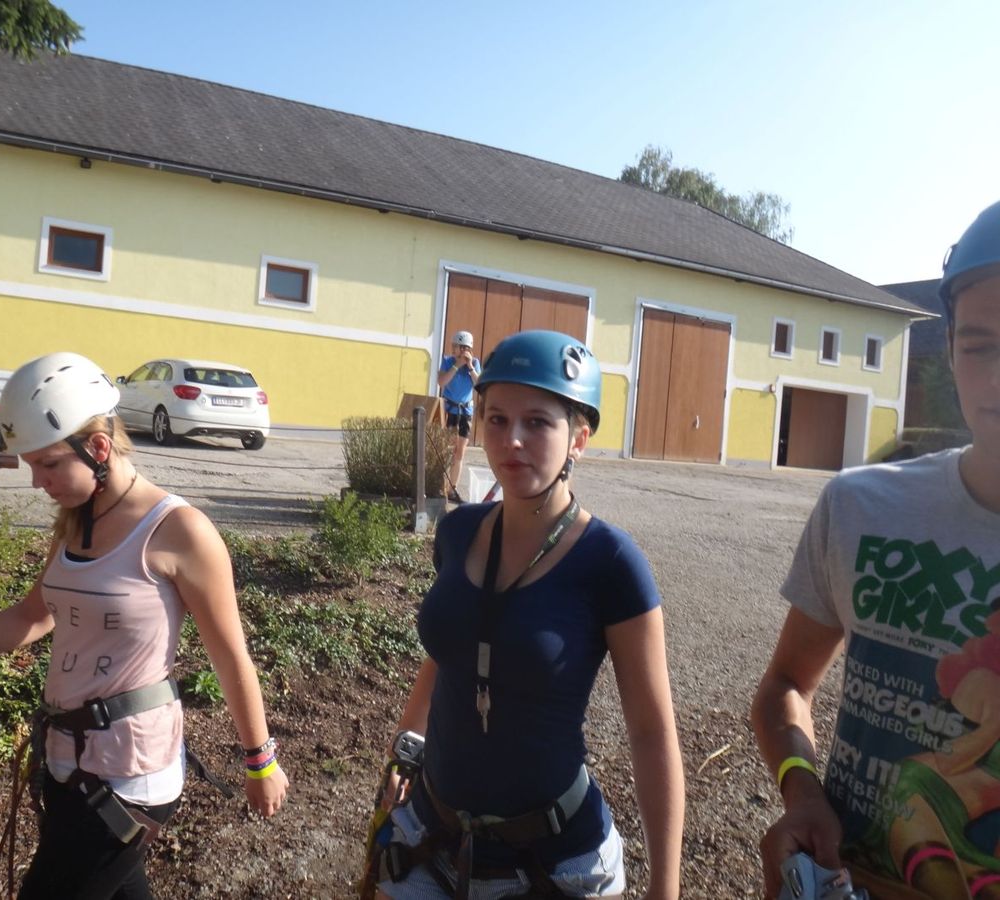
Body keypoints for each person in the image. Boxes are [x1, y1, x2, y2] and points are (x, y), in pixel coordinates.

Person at [0, 352, 289, 899]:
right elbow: (30, 617)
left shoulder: (180, 531)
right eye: (30, 465)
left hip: (130, 775)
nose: (36, 481)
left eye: (47, 464)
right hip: (66, 757)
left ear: (99, 449)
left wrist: (260, 761)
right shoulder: (74, 524)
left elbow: (231, 657)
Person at [373, 330, 685, 899]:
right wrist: (404, 746)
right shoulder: (458, 532)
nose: (512, 439)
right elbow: (448, 653)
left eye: (537, 422)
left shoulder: (611, 563)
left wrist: (665, 889)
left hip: (554, 864)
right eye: (496, 419)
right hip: (430, 838)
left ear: (579, 439)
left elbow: (651, 733)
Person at [752, 201, 1000, 900]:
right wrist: (801, 790)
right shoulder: (861, 506)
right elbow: (785, 688)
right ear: (949, 348)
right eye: (980, 345)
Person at [437, 330, 482, 504]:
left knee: (460, 451)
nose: (456, 350)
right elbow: (442, 382)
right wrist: (456, 365)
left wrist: (469, 367)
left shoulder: (474, 363)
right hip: (450, 410)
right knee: (447, 449)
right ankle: (441, 486)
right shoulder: (448, 361)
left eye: (460, 347)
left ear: (467, 349)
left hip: (465, 412)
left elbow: (479, 385)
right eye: (455, 347)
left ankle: (452, 488)